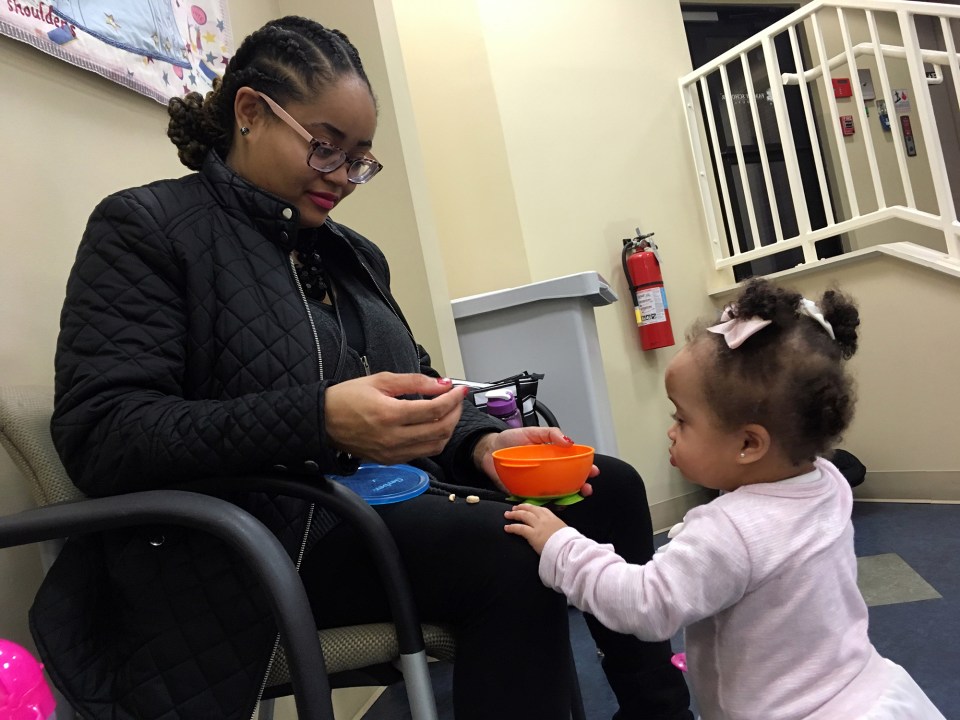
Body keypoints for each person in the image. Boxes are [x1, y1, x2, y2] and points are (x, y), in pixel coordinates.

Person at [34, 16, 692, 720]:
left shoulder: (352, 255)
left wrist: (479, 441)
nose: (345, 178)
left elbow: (419, 377)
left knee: (610, 488)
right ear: (250, 112)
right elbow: (102, 434)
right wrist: (319, 421)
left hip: (370, 505)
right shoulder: (148, 229)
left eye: (360, 159)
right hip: (254, 541)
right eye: (326, 150)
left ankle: (659, 711)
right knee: (514, 558)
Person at [505, 279, 946, 720]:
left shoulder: (728, 530)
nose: (671, 430)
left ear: (749, 445)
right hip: (867, 690)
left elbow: (646, 603)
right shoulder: (826, 480)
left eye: (682, 417)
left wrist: (562, 546)